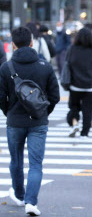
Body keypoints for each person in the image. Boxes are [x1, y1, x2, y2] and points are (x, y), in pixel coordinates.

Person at [0, 26, 60, 216]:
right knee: (36, 163)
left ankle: (19, 194)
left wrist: (8, 111)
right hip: (38, 122)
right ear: (32, 43)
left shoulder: (6, 67)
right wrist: (43, 112)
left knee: (16, 160)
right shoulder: (44, 66)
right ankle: (31, 202)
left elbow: (1, 97)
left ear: (13, 45)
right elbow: (55, 96)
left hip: (15, 121)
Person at [66, 28, 92, 138]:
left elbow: (67, 63)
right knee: (88, 110)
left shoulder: (72, 49)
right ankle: (85, 132)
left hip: (75, 85)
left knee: (73, 106)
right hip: (90, 86)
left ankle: (74, 123)